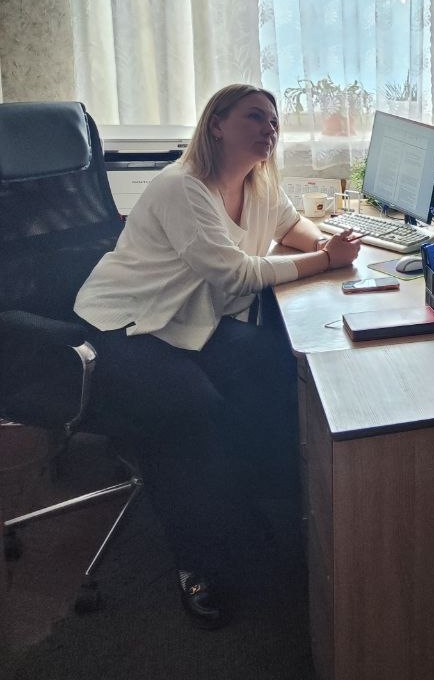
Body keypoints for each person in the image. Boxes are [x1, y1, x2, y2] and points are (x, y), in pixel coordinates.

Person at [74, 83, 363, 628]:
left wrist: (328, 243)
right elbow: (235, 273)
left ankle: (269, 506)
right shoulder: (183, 187)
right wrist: (327, 261)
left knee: (274, 366)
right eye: (254, 117)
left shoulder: (258, 181)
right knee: (191, 412)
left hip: (191, 319)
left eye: (273, 122)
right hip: (127, 324)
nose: (268, 129)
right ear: (217, 125)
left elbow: (289, 226)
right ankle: (198, 562)